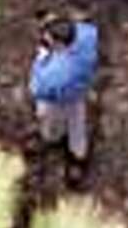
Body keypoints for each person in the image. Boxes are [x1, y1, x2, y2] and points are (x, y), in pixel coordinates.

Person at [29, 17, 99, 162]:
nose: (45, 40)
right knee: (77, 121)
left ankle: (53, 138)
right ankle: (79, 154)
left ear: (60, 45)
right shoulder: (88, 33)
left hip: (58, 98)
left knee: (50, 120)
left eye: (49, 40)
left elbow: (37, 90)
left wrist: (41, 58)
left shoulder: (56, 73)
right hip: (79, 90)